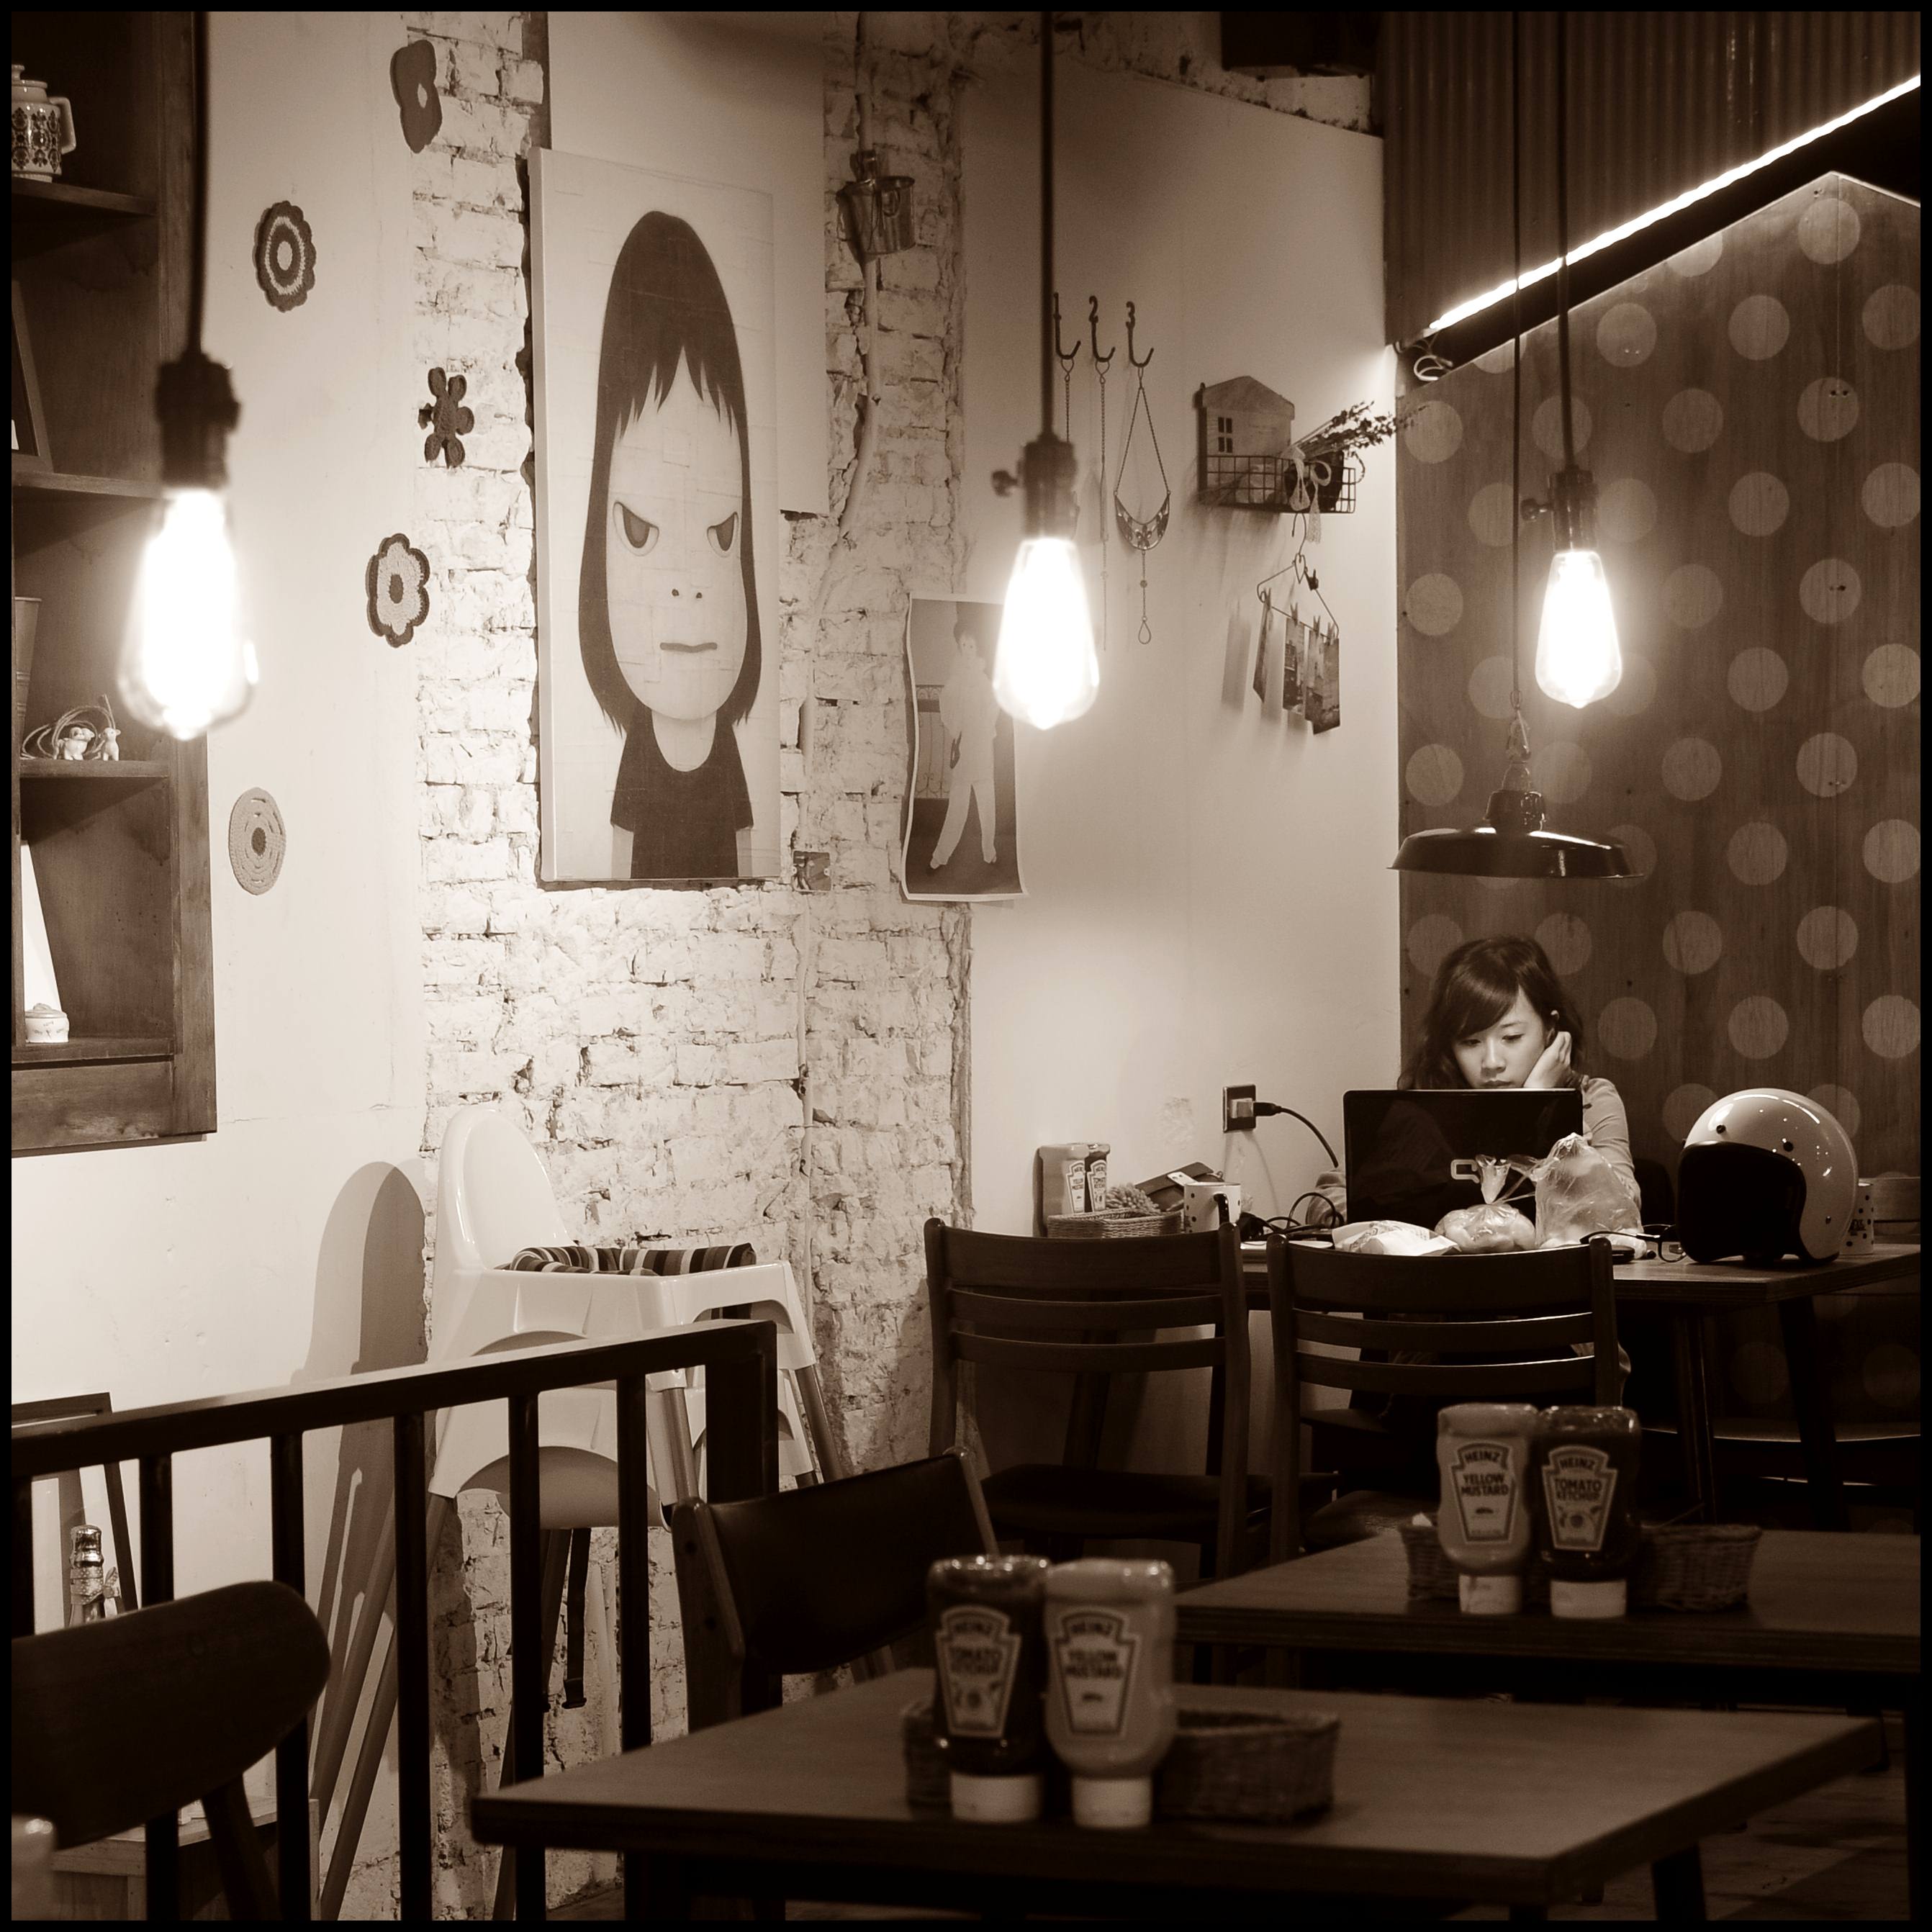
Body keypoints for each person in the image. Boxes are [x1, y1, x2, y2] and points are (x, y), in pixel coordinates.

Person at [578, 211, 762, 880]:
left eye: (723, 533)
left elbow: (746, 849)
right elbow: (622, 851)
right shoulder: (641, 747)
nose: (688, 586)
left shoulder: (726, 749)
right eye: (638, 530)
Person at [1401, 933, 1640, 1215]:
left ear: (1550, 1029)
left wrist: (1539, 1103)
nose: (1491, 1062)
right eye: (1470, 1042)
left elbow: (1623, 1208)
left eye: (1511, 1037)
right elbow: (1365, 1203)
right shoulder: (1424, 1107)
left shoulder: (1591, 1100)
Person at [929, 615, 999, 870]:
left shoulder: (983, 681)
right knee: (958, 802)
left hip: (981, 746)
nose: (967, 650)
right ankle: (941, 855)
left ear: (977, 648)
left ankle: (989, 850)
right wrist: (955, 726)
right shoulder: (955, 679)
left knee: (986, 800)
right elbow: (946, 704)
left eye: (971, 646)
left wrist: (983, 726)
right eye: (963, 646)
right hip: (963, 746)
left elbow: (993, 708)